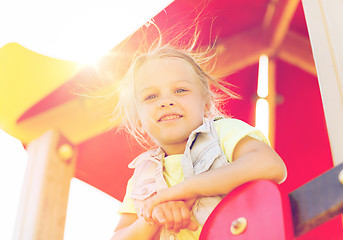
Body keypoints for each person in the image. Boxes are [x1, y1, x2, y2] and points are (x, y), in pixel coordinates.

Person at [110, 44, 287, 240]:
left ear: (206, 103)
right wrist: (156, 215)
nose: (166, 101)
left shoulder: (222, 132)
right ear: (138, 119)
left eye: (180, 90)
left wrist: (189, 188)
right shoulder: (141, 175)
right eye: (151, 96)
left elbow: (269, 165)